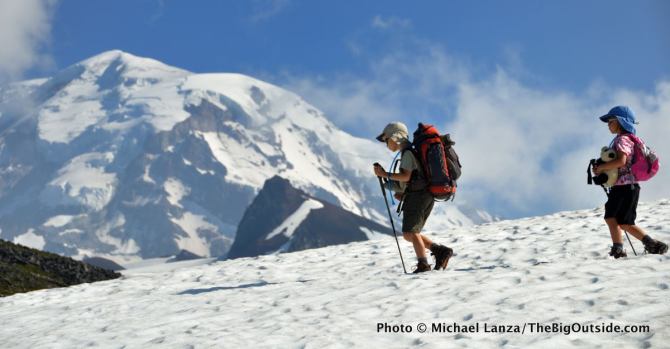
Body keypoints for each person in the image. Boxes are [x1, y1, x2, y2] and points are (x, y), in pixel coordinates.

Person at [373, 122, 453, 273]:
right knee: (409, 234)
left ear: (395, 136)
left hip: (419, 196)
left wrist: (384, 175)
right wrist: (387, 183)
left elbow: (406, 176)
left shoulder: (408, 153)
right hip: (422, 195)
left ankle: (423, 264)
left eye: (386, 139)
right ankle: (440, 251)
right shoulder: (410, 153)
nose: (386, 144)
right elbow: (408, 181)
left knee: (412, 232)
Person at [593, 106, 668, 258]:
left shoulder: (622, 139)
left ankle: (619, 248)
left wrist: (601, 168)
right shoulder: (626, 139)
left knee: (612, 217)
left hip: (624, 187)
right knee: (624, 222)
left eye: (611, 121)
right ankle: (651, 244)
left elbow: (621, 161)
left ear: (621, 121)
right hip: (629, 187)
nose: (608, 124)